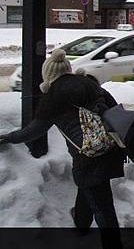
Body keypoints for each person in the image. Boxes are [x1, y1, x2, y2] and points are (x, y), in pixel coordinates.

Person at [0, 49, 124, 248]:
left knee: (103, 208)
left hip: (88, 155)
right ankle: (81, 225)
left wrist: (8, 137)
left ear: (48, 74)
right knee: (91, 188)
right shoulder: (90, 84)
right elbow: (116, 109)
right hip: (110, 148)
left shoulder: (53, 97)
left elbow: (34, 131)